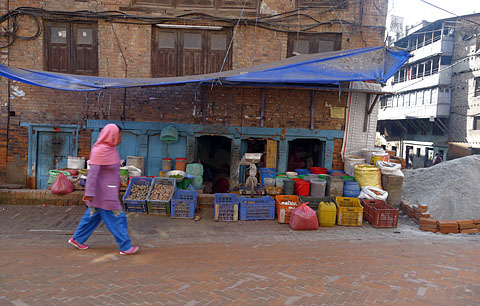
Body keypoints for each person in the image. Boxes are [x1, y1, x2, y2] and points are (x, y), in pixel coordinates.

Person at [68, 124, 139, 255]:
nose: (121, 139)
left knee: (92, 218)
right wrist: (89, 193)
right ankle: (125, 246)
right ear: (112, 136)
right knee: (118, 219)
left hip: (104, 193)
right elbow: (93, 174)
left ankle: (77, 239)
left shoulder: (110, 149)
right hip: (105, 195)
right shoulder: (100, 151)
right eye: (120, 136)